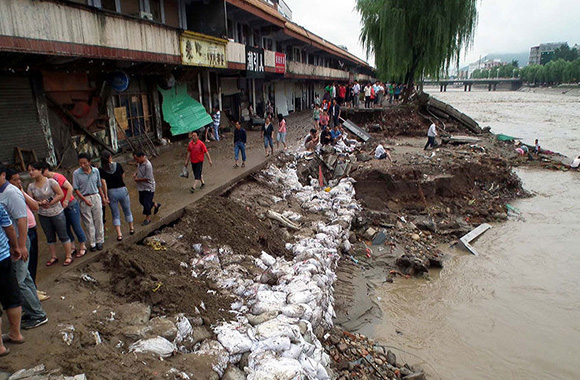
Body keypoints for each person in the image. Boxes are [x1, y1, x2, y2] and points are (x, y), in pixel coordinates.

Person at [0, 164, 48, 330]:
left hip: (20, 241)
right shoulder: (4, 193)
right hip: (13, 243)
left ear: (3, 175)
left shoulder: (11, 193)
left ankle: (37, 315)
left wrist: (21, 246)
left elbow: (22, 220)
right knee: (25, 277)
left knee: (18, 282)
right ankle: (34, 311)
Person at [27, 162, 74, 267]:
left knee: (63, 234)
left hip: (56, 211)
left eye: (33, 170)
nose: (31, 172)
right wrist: (40, 203)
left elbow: (60, 194)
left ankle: (68, 255)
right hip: (43, 213)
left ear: (40, 170)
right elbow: (31, 201)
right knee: (49, 236)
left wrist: (50, 202)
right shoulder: (31, 187)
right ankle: (53, 256)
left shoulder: (51, 182)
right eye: (29, 170)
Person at [41, 165, 87, 259]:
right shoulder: (46, 182)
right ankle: (72, 246)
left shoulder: (57, 177)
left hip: (70, 204)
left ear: (46, 170)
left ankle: (83, 245)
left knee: (76, 226)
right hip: (59, 207)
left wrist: (66, 200)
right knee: (66, 228)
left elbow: (70, 188)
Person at [0, 202, 25, 357]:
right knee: (11, 296)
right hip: (3, 256)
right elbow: (8, 227)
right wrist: (15, 246)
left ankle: (0, 347)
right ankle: (16, 334)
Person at [6, 170, 40, 284]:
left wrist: (21, 191)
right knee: (25, 266)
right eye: (15, 180)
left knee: (33, 261)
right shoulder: (9, 195)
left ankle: (34, 287)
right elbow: (20, 220)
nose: (19, 182)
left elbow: (35, 206)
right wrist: (21, 244)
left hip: (32, 228)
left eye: (19, 179)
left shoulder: (18, 192)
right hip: (24, 233)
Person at [73, 153, 106, 251]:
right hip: (84, 198)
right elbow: (76, 189)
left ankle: (100, 240)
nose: (82, 165)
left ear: (89, 162)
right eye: (80, 163)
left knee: (98, 220)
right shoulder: (76, 173)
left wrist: (103, 197)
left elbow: (99, 185)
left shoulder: (95, 171)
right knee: (88, 222)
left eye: (84, 163)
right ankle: (92, 243)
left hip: (95, 196)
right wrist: (84, 199)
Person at [99, 151, 134, 241]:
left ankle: (119, 234)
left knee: (115, 214)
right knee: (127, 210)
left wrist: (106, 196)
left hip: (111, 193)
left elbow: (104, 184)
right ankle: (131, 228)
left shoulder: (101, 170)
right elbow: (123, 176)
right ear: (110, 157)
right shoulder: (117, 165)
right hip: (122, 190)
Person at [133, 152, 160, 226]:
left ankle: (148, 218)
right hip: (141, 187)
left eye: (137, 159)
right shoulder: (139, 163)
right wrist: (135, 173)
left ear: (141, 156)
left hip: (148, 187)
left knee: (146, 203)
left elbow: (147, 179)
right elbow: (138, 169)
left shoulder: (148, 165)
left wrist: (137, 180)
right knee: (141, 201)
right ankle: (155, 204)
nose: (136, 161)